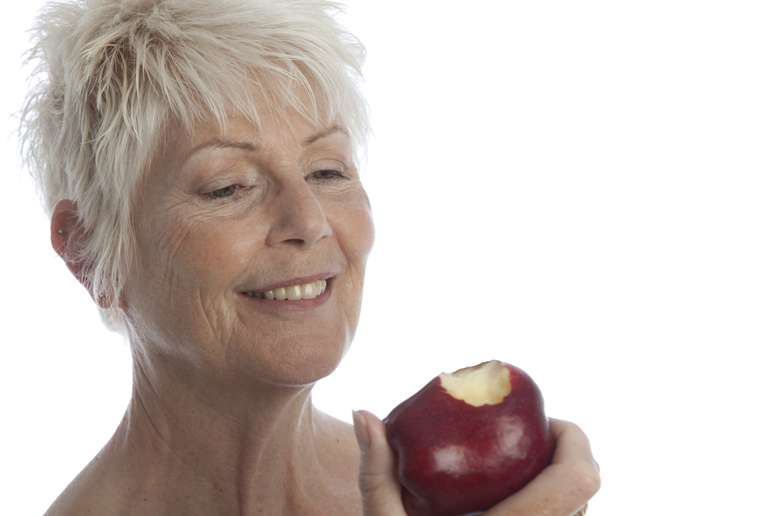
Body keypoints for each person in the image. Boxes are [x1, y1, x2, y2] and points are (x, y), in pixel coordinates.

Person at [19, 0, 600, 514]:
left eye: (327, 171)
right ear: (88, 253)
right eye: (228, 186)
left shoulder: (444, 495)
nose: (310, 222)